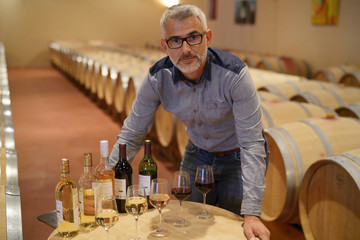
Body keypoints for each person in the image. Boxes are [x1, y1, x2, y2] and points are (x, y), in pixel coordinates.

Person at [108, 3, 270, 240]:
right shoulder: (157, 77)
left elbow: (252, 143)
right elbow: (133, 132)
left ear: (208, 37)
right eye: (175, 40)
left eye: (193, 37)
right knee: (186, 221)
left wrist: (253, 213)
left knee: (233, 228)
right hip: (198, 153)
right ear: (165, 46)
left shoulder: (234, 75)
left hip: (237, 157)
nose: (185, 49)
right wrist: (106, 175)